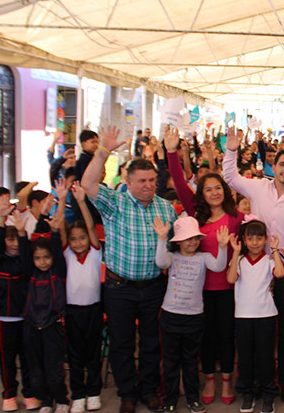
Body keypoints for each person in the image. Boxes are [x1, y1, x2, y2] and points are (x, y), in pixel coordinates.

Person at [82, 125, 177, 413]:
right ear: (128, 180)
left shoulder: (166, 209)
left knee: (151, 343)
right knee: (122, 343)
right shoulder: (115, 203)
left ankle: (149, 390)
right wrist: (103, 152)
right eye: (142, 181)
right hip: (119, 287)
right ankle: (127, 393)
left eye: (151, 180)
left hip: (153, 288)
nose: (148, 185)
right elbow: (87, 185)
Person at [223, 127, 284, 403]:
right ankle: (253, 381)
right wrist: (231, 149)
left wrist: (283, 252)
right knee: (253, 327)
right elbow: (230, 176)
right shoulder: (257, 186)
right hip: (252, 268)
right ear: (273, 166)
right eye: (282, 164)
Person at [165, 127, 244, 404]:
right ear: (201, 193)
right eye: (208, 188)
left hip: (228, 290)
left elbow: (261, 224)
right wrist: (172, 152)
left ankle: (227, 380)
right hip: (197, 292)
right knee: (206, 337)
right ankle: (208, 379)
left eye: (218, 188)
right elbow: (177, 179)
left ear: (225, 191)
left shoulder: (236, 218)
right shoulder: (193, 216)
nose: (213, 192)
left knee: (226, 336)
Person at [152, 217, 229, 413]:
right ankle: (170, 399)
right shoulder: (172, 257)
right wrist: (162, 238)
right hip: (170, 315)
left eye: (195, 238)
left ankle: (193, 398)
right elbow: (160, 261)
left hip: (194, 317)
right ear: (177, 241)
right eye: (188, 239)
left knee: (191, 361)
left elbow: (219, 267)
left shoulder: (203, 258)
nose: (193, 242)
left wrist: (222, 248)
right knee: (170, 361)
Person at [13, 208, 70, 413]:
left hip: (52, 327)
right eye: (38, 258)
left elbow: (56, 251)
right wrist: (21, 234)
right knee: (35, 370)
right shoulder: (30, 274)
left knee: (54, 369)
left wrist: (55, 233)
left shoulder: (58, 272)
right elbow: (26, 258)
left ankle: (61, 400)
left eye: (46, 257)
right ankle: (45, 400)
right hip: (31, 327)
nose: (43, 262)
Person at [226, 220, 284, 413]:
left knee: (266, 357)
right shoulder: (240, 260)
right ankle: (248, 393)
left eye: (259, 238)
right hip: (243, 316)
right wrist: (235, 252)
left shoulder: (269, 259)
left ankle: (269, 393)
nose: (254, 242)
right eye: (250, 238)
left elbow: (280, 273)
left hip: (266, 315)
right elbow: (231, 278)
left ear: (266, 240)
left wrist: (275, 250)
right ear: (243, 240)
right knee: (245, 357)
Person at [0, 202, 39, 411]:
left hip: (26, 318)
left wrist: (21, 233)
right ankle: (9, 394)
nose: (14, 243)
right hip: (4, 319)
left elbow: (27, 255)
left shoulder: (25, 263)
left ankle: (29, 393)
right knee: (6, 359)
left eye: (17, 239)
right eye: (10, 239)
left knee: (28, 359)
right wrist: (0, 222)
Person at [63, 182, 105, 413]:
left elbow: (90, 226)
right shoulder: (67, 254)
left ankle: (93, 392)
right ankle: (77, 394)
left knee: (93, 354)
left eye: (82, 238)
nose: (78, 242)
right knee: (75, 355)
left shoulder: (95, 251)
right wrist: (62, 201)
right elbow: (61, 228)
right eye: (74, 239)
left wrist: (81, 201)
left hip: (94, 310)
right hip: (72, 311)